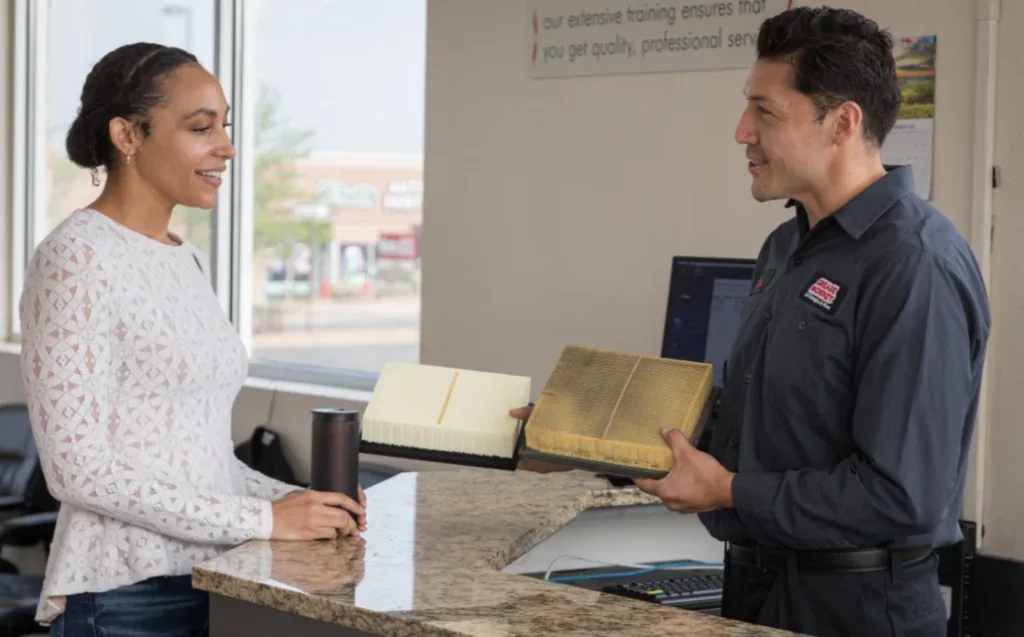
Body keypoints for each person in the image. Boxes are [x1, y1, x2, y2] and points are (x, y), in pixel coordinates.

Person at [516, 7, 990, 637]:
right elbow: (752, 426)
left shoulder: (913, 265)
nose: (742, 131)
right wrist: (583, 436)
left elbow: (901, 494)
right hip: (758, 584)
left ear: (843, 122)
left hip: (859, 607)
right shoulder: (784, 249)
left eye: (766, 111)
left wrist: (731, 492)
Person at [19, 42, 367, 637]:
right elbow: (78, 473)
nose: (226, 147)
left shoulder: (189, 262)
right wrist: (265, 516)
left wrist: (305, 504)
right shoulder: (74, 258)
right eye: (201, 128)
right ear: (128, 136)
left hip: (219, 577)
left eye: (224, 126)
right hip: (127, 596)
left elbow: (199, 459)